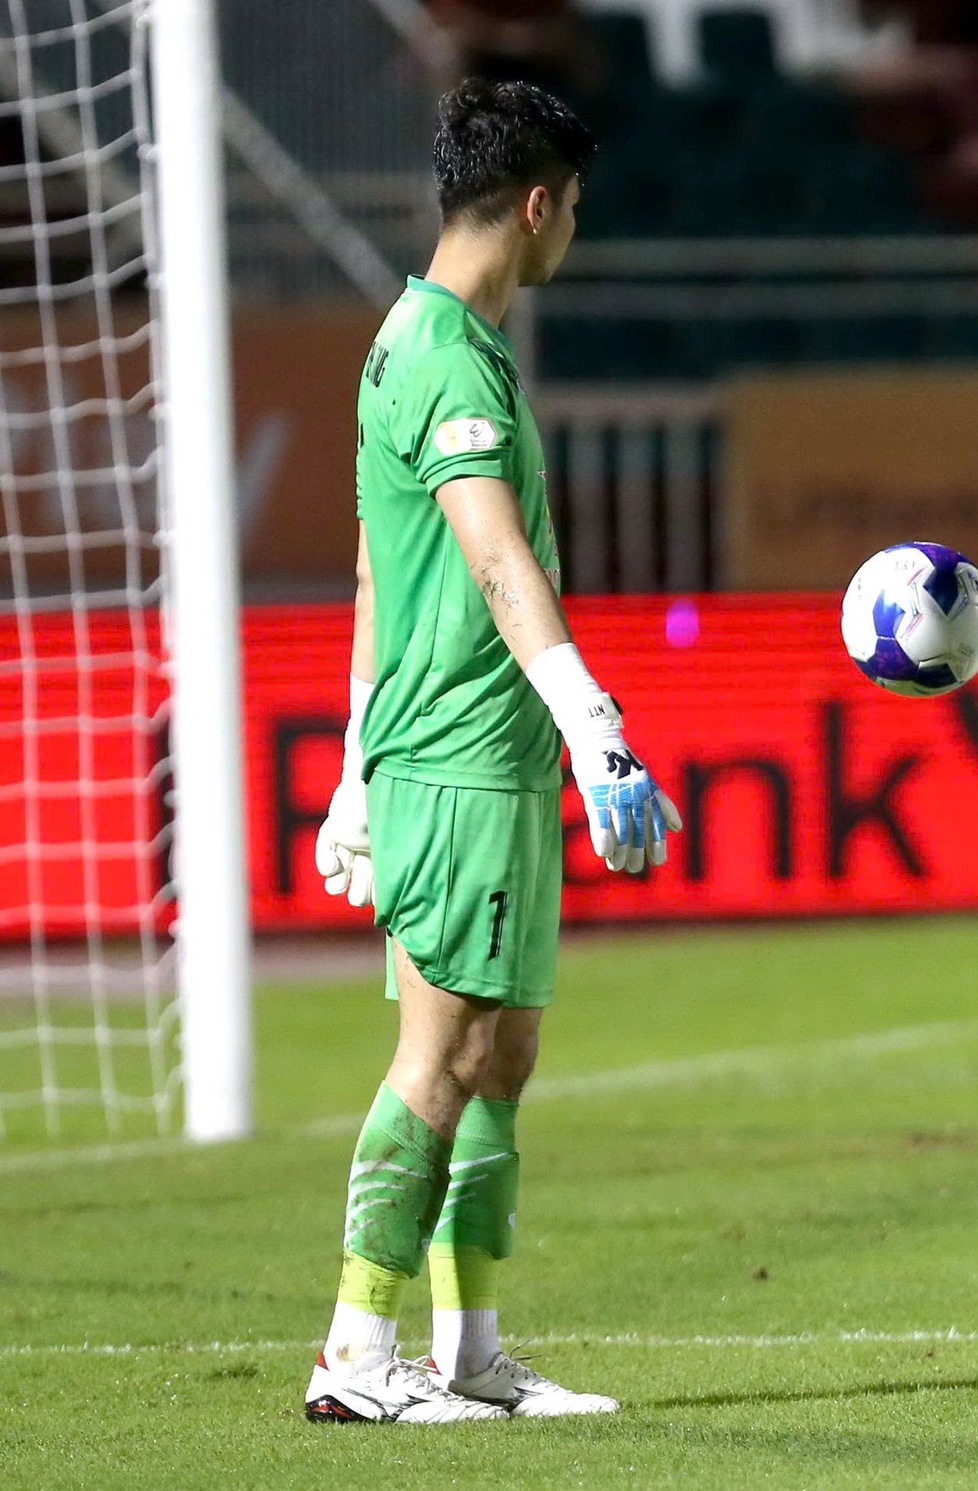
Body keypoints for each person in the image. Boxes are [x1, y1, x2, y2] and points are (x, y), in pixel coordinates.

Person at [304, 78, 681, 1424]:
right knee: (442, 1052)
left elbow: (370, 570)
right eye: (571, 207)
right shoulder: (450, 359)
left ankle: (469, 1349)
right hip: (464, 753)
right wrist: (596, 723)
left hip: (462, 751)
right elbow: (490, 551)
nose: (569, 227)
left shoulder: (419, 338)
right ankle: (356, 1353)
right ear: (536, 207)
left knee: (502, 1050)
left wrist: (350, 760)